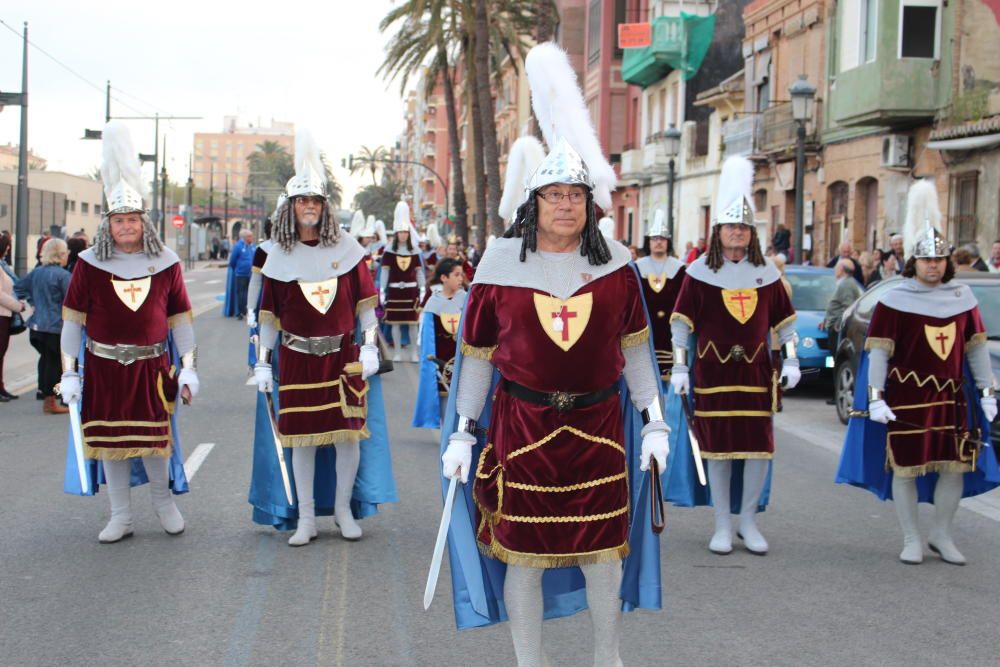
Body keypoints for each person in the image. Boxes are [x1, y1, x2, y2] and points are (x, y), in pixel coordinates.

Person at [439, 42, 665, 664]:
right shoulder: (499, 265)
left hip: (599, 427)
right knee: (525, 556)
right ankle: (528, 661)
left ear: (589, 206)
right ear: (533, 205)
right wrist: (463, 431)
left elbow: (637, 350)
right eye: (553, 195)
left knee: (601, 554)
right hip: (523, 427)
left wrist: (656, 419)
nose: (564, 204)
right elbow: (480, 355)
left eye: (575, 195)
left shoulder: (617, 267)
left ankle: (606, 656)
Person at [836, 179, 1000, 564]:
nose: (933, 266)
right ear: (915, 262)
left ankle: (942, 535)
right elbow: (878, 352)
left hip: (951, 399)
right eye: (927, 260)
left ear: (946, 263)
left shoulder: (963, 299)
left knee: (955, 467)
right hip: (905, 399)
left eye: (939, 260)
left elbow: (975, 350)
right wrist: (876, 397)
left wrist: (988, 392)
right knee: (906, 469)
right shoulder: (895, 300)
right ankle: (911, 538)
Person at [252, 129, 396, 546]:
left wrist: (369, 346)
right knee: (303, 441)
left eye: (315, 201)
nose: (309, 207)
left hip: (343, 359)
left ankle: (345, 512)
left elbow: (367, 305)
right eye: (302, 201)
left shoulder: (349, 250)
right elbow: (269, 317)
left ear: (324, 207)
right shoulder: (277, 257)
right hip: (296, 360)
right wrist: (263, 361)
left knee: (346, 436)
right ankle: (307, 519)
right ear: (291, 207)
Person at [57, 121, 199, 542]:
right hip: (103, 366)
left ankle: (163, 503)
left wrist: (188, 369)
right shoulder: (87, 264)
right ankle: (121, 515)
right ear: (108, 223)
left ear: (143, 221)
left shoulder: (167, 262)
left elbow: (181, 322)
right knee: (111, 445)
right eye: (118, 220)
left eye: (132, 219)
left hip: (152, 367)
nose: (125, 226)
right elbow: (72, 322)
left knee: (155, 441)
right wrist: (69, 372)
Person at [669, 155, 799, 556]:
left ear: (751, 233)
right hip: (712, 373)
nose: (737, 233)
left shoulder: (769, 276)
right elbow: (681, 323)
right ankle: (722, 524)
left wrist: (791, 359)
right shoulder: (697, 275)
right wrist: (679, 366)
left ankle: (748, 522)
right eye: (731, 226)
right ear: (718, 231)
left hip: (758, 374)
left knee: (757, 448)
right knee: (719, 450)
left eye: (743, 227)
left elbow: (785, 323)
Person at [15, 238, 71, 414]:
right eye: (65, 252)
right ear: (60, 254)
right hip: (55, 326)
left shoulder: (37, 272)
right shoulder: (62, 275)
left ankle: (47, 397)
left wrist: (33, 301)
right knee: (56, 364)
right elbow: (71, 300)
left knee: (46, 361)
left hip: (37, 325)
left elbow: (18, 287)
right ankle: (51, 400)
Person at [412, 258, 466, 429]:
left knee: (461, 396)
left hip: (461, 357)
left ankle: (459, 431)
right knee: (443, 395)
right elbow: (427, 335)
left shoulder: (466, 300)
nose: (460, 279)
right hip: (440, 358)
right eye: (456, 275)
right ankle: (445, 432)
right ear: (443, 278)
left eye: (461, 275)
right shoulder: (433, 303)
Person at [636, 209, 686, 384]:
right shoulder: (636, 268)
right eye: (654, 239)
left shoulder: (680, 269)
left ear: (668, 242)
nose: (658, 242)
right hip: (645, 332)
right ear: (648, 242)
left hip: (671, 333)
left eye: (662, 239)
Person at [380, 202, 426, 362]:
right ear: (396, 234)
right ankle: (398, 352)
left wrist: (422, 288)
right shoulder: (388, 252)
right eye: (400, 233)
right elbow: (385, 272)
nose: (403, 235)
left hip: (411, 292)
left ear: (408, 234)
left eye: (405, 233)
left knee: (413, 324)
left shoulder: (415, 251)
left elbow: (419, 272)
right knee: (395, 323)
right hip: (394, 292)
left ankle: (414, 353)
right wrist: (381, 290)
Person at [0, 234, 27, 402]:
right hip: (2, 314)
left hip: (4, 315)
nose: (8, 250)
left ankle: (1, 387)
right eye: (7, 247)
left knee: (1, 353)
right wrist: (18, 306)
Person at [820, 258, 863, 335]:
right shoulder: (845, 282)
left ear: (841, 269)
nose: (834, 269)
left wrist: (836, 326)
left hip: (837, 331)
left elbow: (848, 309)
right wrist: (826, 320)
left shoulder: (847, 284)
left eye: (836, 267)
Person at [229, 228, 256, 319]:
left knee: (249, 293)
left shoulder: (252, 246)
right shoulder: (238, 246)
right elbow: (232, 260)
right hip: (241, 274)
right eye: (250, 236)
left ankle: (248, 310)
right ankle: (241, 311)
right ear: (245, 237)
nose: (252, 238)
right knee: (241, 293)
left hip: (251, 274)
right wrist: (236, 269)